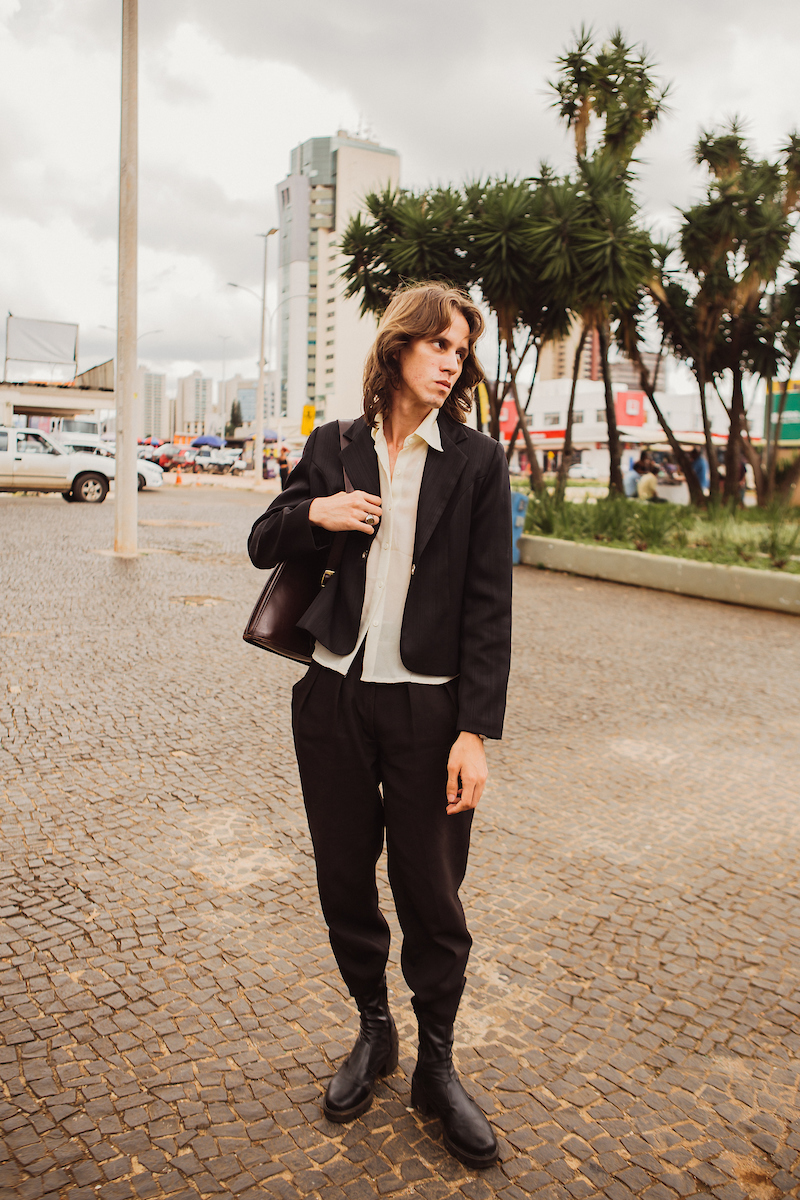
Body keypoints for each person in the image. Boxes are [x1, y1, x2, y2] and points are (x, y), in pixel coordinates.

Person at [248, 282, 512, 1170]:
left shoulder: (475, 460)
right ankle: (374, 1028)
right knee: (342, 877)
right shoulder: (335, 446)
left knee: (433, 893)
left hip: (429, 709)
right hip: (332, 696)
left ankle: (437, 1063)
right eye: (438, 344)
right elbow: (262, 537)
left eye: (461, 350)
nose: (451, 361)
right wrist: (313, 511)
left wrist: (474, 731)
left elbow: (489, 604)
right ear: (399, 348)